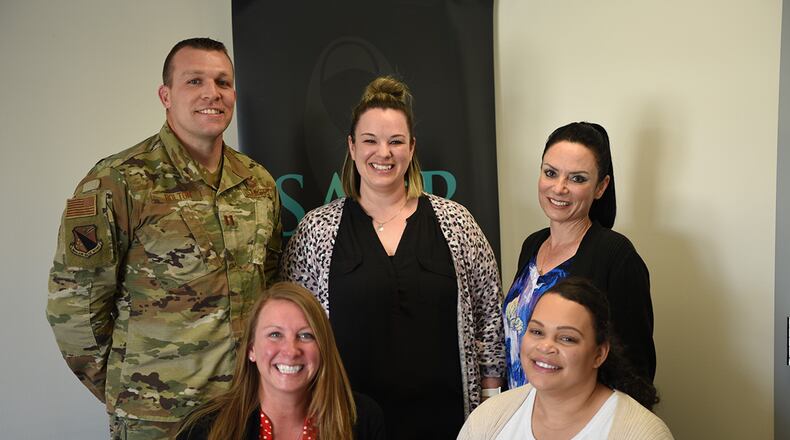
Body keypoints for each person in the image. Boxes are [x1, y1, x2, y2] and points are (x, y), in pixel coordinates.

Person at [46, 37, 282, 439]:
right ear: (166, 95)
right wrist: (128, 391)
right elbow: (75, 309)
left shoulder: (257, 183)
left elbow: (272, 286)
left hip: (244, 408)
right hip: (159, 420)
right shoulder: (118, 181)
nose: (212, 93)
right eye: (195, 81)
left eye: (223, 82)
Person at [282, 76, 504, 438]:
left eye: (395, 141)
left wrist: (490, 411)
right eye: (370, 140)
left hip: (447, 423)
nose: (383, 153)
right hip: (348, 423)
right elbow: (296, 328)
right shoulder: (316, 231)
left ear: (412, 148)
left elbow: (490, 321)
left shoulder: (457, 223)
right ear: (352, 147)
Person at [503, 122, 655, 389]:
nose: (559, 188)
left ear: (600, 187)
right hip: (524, 417)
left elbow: (636, 369)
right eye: (551, 173)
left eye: (577, 178)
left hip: (579, 423)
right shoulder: (532, 245)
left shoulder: (616, 256)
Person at [458, 277, 672, 439]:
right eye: (537, 332)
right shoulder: (489, 418)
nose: (546, 346)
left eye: (567, 338)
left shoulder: (642, 433)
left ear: (599, 354)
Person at [177, 282, 385, 440]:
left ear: (323, 347)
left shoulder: (361, 419)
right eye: (275, 334)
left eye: (306, 335)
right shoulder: (204, 428)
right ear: (251, 349)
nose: (291, 350)